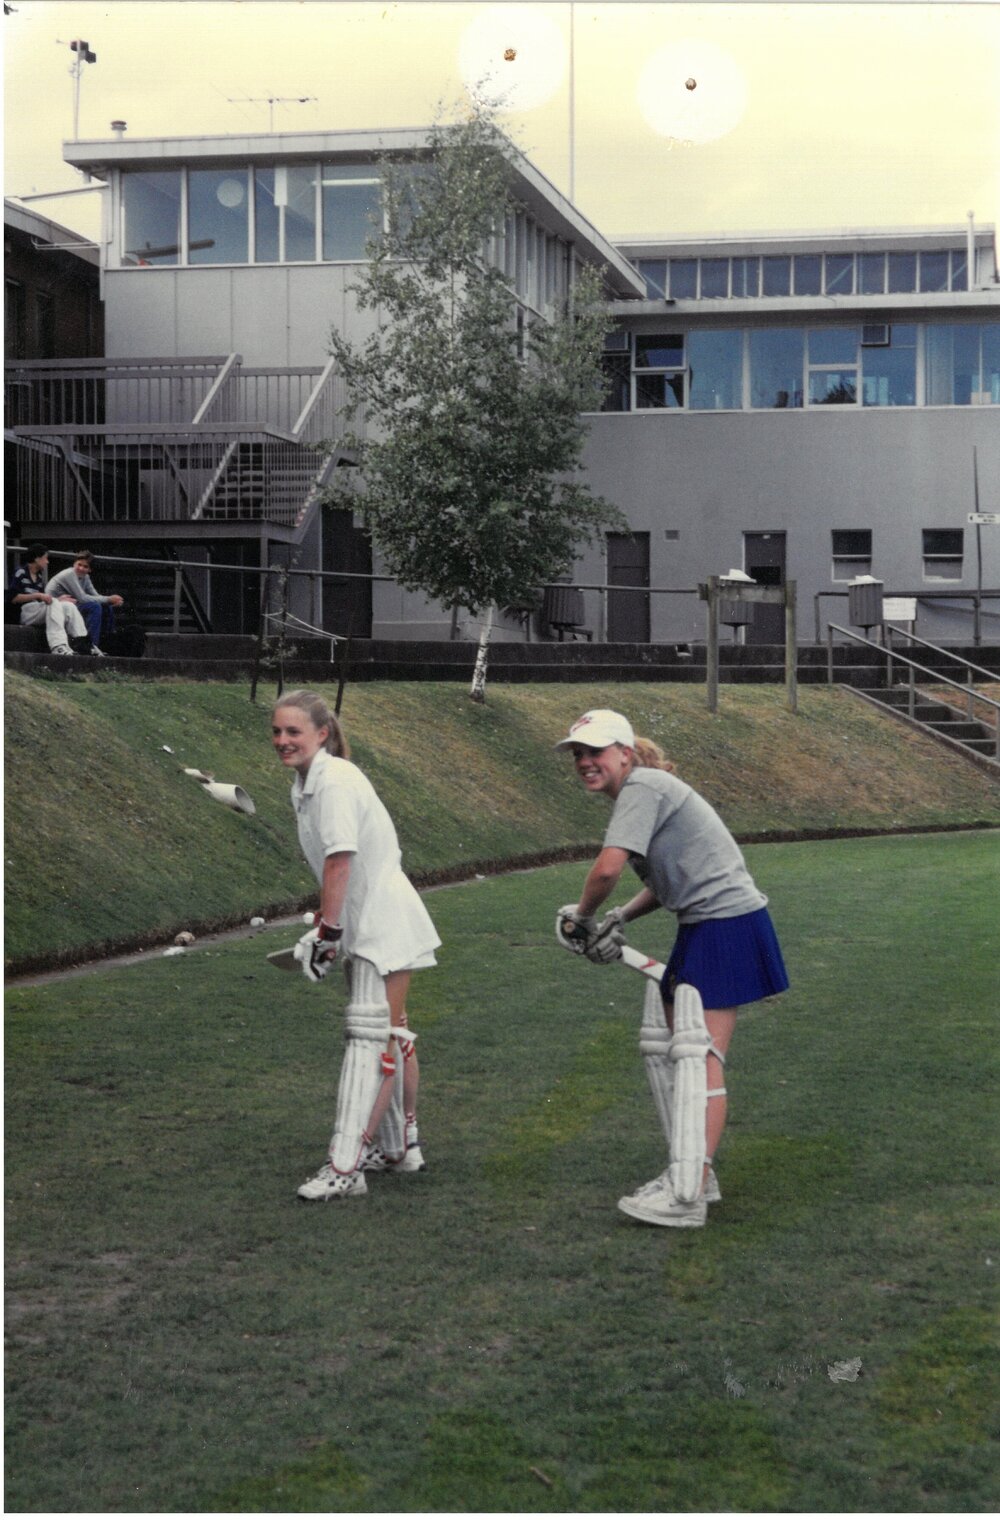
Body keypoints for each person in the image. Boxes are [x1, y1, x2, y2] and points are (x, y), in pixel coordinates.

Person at [555, 708, 789, 1229]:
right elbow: (668, 881)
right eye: (578, 754)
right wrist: (619, 918)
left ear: (625, 753)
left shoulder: (643, 787)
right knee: (679, 1050)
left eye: (595, 751)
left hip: (724, 925)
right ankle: (692, 1171)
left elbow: (609, 867)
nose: (585, 762)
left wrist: (584, 917)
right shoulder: (643, 789)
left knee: (698, 1058)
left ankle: (690, 1190)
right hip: (707, 925)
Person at [272, 689, 441, 1201]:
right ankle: (397, 1147)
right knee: (389, 1031)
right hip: (368, 920)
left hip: (381, 922)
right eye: (277, 732)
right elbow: (337, 865)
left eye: (293, 732)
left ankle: (345, 1168)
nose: (283, 741)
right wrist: (330, 927)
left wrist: (328, 930)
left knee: (371, 1039)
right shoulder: (306, 784)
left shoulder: (337, 781)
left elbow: (340, 859)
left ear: (322, 734)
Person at [5, 543, 91, 656]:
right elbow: (13, 598)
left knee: (68, 605)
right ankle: (58, 645)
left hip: (35, 610)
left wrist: (58, 600)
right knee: (54, 602)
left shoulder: (39, 577)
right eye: (45, 558)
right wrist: (38, 595)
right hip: (24, 612)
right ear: (37, 558)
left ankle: (83, 642)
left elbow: (44, 602)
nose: (47, 562)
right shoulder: (21, 572)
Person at [44, 550, 124, 654]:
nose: (81, 568)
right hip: (55, 607)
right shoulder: (69, 574)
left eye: (85, 566)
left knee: (106, 607)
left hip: (71, 604)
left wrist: (111, 601)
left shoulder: (85, 577)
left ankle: (106, 643)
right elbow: (82, 598)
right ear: (74, 564)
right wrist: (108, 599)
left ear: (90, 569)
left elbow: (96, 596)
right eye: (79, 564)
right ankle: (90, 645)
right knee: (95, 607)